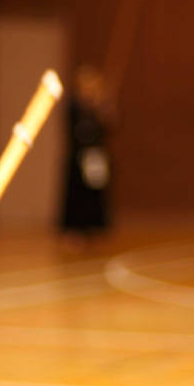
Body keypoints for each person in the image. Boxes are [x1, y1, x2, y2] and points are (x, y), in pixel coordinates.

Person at [60, 64, 115, 249]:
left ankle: (95, 229)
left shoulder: (100, 105)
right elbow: (77, 130)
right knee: (77, 195)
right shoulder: (75, 106)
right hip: (78, 157)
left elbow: (111, 127)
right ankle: (74, 231)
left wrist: (104, 111)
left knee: (95, 195)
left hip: (96, 156)